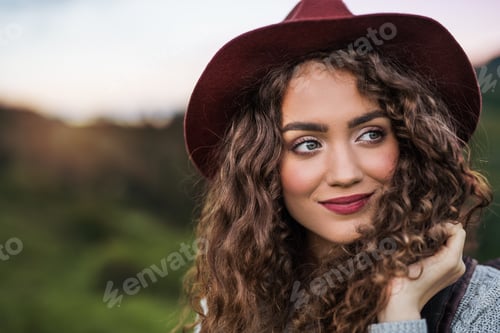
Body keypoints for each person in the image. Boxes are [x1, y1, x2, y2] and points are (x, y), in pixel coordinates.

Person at [181, 0, 500, 332]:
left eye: (371, 134)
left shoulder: (484, 306)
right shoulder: (230, 309)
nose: (345, 174)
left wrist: (400, 313)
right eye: (307, 144)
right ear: (262, 165)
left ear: (410, 143)